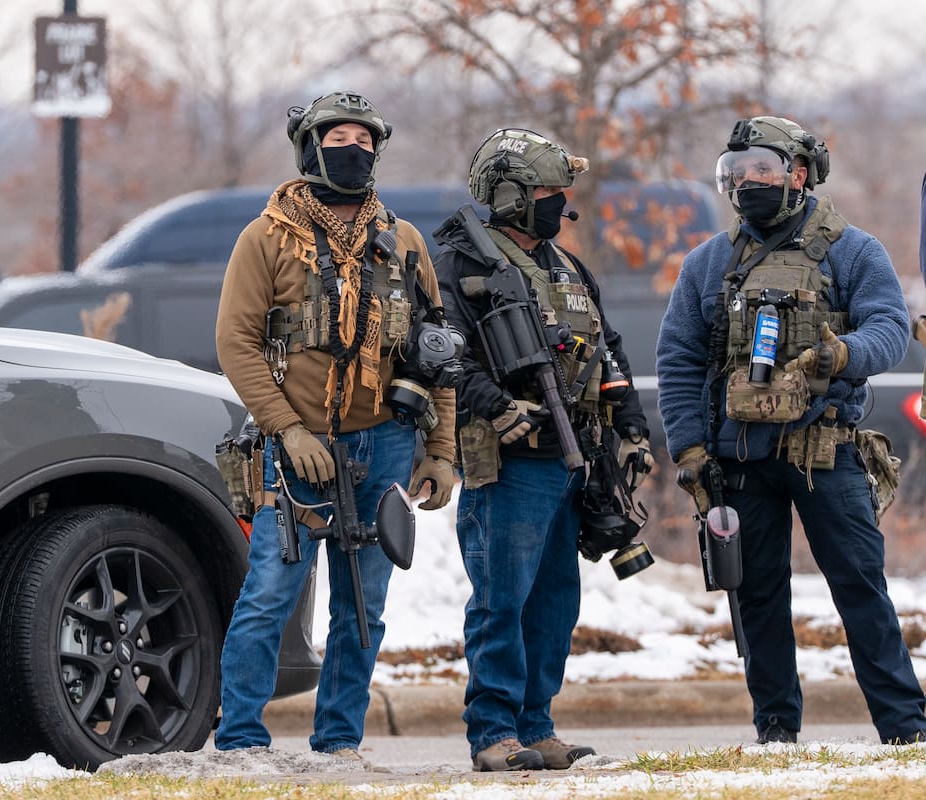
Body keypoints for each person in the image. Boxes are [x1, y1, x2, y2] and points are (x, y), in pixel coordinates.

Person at [657, 115, 926, 745]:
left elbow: (890, 328)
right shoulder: (708, 262)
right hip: (739, 457)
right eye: (736, 172)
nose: (748, 182)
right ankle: (776, 729)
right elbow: (679, 359)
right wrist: (689, 448)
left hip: (825, 450)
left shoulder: (853, 250)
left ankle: (906, 729)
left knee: (860, 587)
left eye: (763, 169)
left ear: (799, 175)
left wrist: (844, 355)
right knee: (757, 595)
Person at [213, 91, 457, 766]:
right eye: (339, 138)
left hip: (386, 444)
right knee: (270, 594)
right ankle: (240, 741)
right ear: (310, 148)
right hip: (298, 451)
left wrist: (440, 451)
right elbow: (235, 342)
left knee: (363, 604)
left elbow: (438, 352)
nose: (354, 150)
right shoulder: (267, 237)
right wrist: (288, 430)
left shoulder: (402, 242)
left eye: (365, 140)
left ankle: (340, 741)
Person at [434, 128, 653, 771]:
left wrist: (632, 426)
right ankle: (493, 733)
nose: (560, 203)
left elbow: (609, 350)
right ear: (509, 195)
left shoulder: (568, 268)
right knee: (502, 599)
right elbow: (445, 353)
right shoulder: (462, 266)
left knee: (556, 600)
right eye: (547, 192)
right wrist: (496, 406)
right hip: (509, 463)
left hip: (574, 457)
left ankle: (537, 725)